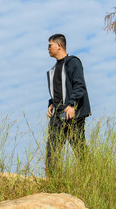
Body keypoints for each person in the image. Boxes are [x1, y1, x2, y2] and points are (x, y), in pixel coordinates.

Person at [45, 33, 91, 175]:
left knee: (79, 149)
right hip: (57, 117)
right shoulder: (52, 71)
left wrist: (71, 104)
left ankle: (90, 178)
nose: (48, 48)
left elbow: (80, 86)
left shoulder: (72, 62)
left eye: (50, 45)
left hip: (72, 115)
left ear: (59, 45)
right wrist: (51, 104)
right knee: (51, 151)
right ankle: (51, 182)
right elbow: (58, 91)